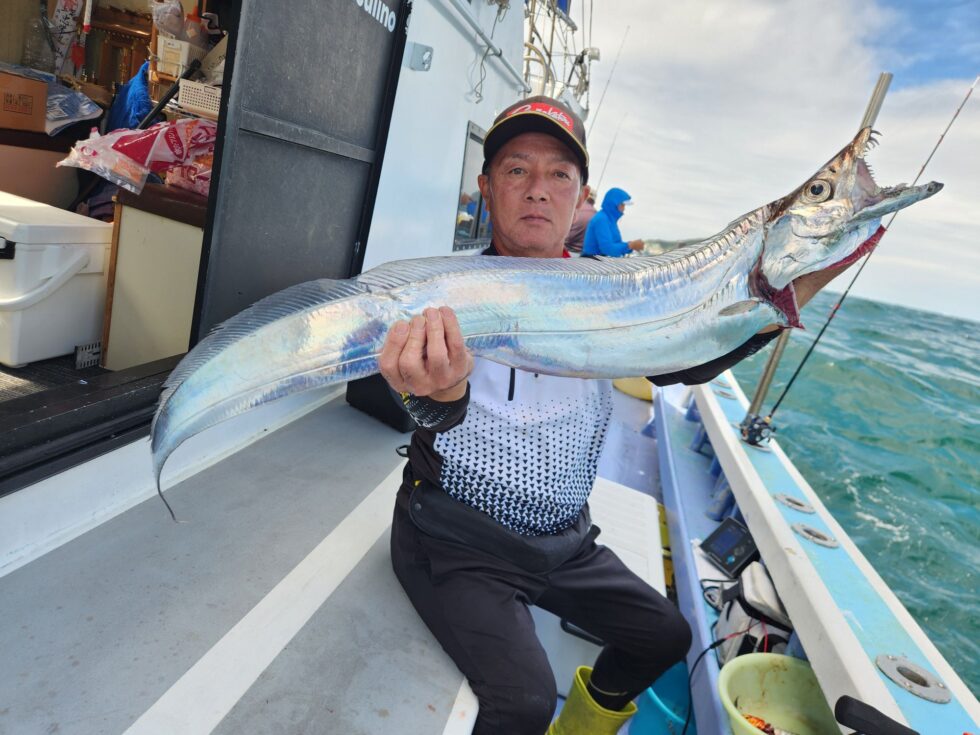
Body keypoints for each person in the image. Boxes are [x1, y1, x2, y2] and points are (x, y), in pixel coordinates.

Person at [377, 95, 848, 735]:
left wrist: (787, 295)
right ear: (487, 187)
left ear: (582, 196)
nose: (538, 190)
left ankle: (582, 727)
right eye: (517, 171)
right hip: (457, 542)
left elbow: (685, 361)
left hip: (565, 543)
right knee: (521, 704)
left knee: (667, 636)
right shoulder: (446, 290)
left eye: (559, 175)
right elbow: (426, 414)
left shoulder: (616, 291)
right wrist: (434, 394)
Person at [582, 187, 645, 256]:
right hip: (592, 262)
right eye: (622, 205)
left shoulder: (609, 220)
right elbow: (607, 249)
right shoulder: (601, 219)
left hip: (600, 261)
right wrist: (630, 245)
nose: (624, 209)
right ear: (614, 204)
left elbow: (616, 243)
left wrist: (630, 246)